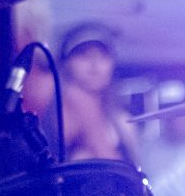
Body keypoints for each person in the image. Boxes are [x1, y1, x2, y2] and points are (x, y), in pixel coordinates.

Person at [55, 22, 138, 163]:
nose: (95, 64)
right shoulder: (53, 117)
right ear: (66, 63)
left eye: (103, 56)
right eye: (84, 55)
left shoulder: (123, 123)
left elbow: (135, 175)